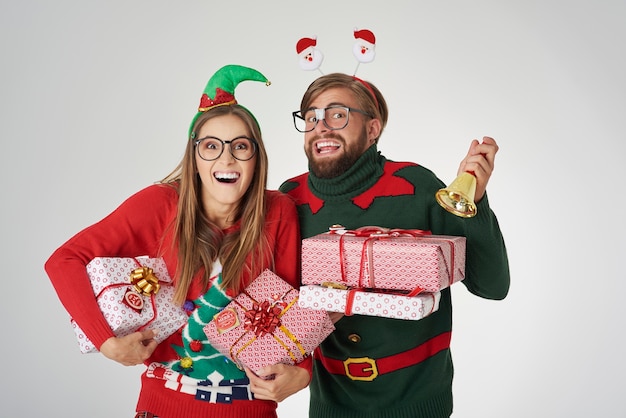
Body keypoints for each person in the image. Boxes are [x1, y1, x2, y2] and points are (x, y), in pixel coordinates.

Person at [45, 64, 310, 418]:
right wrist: (105, 342)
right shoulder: (161, 204)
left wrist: (303, 374)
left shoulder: (278, 212)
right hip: (163, 405)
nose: (226, 158)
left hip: (249, 407)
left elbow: (294, 307)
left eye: (240, 146)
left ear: (256, 157)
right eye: (211, 146)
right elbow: (65, 260)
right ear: (195, 157)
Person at [279, 72, 510, 418]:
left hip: (419, 404)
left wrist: (473, 201)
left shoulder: (416, 185)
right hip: (331, 405)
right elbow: (275, 305)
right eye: (311, 117)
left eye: (337, 114)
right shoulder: (288, 199)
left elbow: (492, 286)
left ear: (373, 129)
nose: (320, 127)